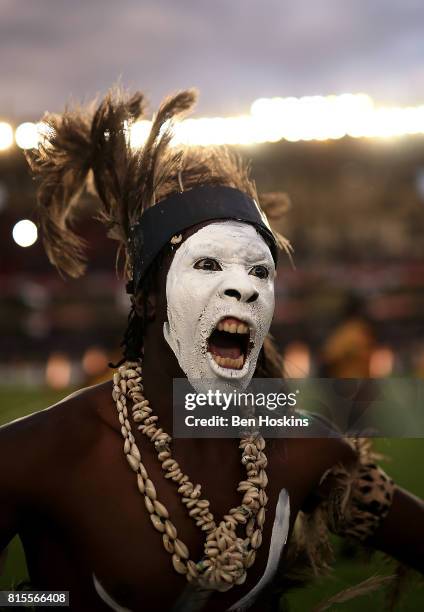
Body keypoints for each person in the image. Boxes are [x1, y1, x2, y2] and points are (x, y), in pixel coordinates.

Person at [0, 89, 423, 612]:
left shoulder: (305, 447)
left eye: (259, 272)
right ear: (149, 299)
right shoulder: (40, 452)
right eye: (207, 266)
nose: (243, 287)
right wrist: (45, 601)